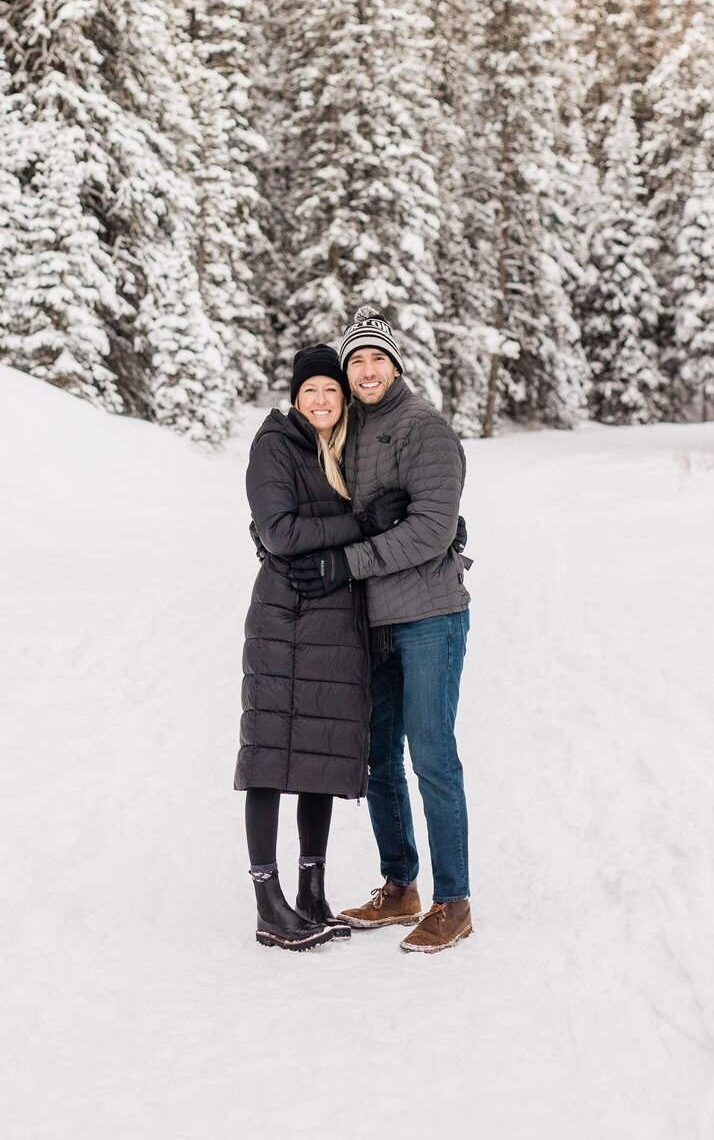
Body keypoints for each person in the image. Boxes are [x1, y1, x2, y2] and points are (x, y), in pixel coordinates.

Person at [286, 306, 473, 955]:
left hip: (429, 616)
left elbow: (433, 530)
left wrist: (354, 556)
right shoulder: (342, 433)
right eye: (355, 361)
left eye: (376, 359)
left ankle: (454, 900)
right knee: (375, 759)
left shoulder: (424, 428)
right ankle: (401, 886)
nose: (366, 370)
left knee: (431, 756)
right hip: (369, 623)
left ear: (395, 365)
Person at [236, 343, 408, 951]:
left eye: (331, 391)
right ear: (294, 396)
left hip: (334, 622)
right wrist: (361, 526)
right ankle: (267, 903)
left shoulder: (337, 449)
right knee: (270, 754)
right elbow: (279, 531)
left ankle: (312, 893)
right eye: (310, 390)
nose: (322, 400)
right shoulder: (274, 444)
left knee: (318, 758)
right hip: (288, 617)